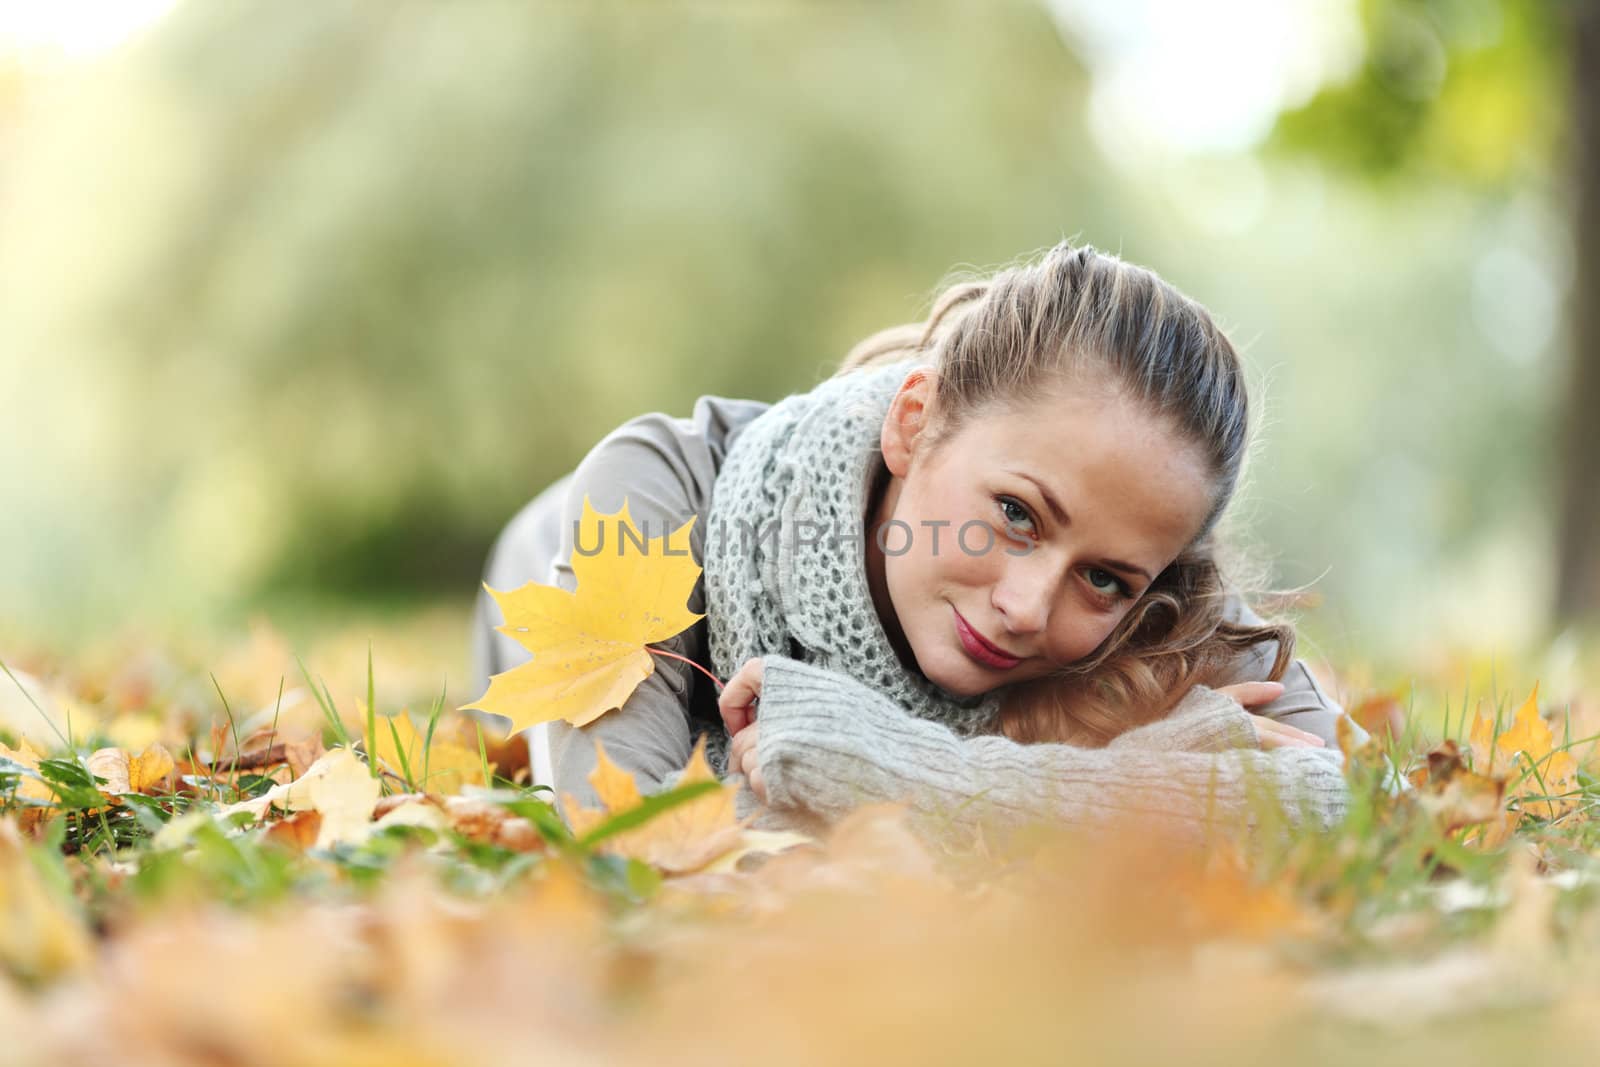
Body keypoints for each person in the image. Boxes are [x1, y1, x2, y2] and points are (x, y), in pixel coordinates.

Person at [469, 241, 1366, 849]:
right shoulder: (650, 498)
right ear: (913, 422)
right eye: (1017, 514)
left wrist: (896, 771)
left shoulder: (1141, 554)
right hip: (541, 559)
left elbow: (1336, 799)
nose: (1025, 606)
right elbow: (627, 842)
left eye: (1102, 578)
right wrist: (1119, 798)